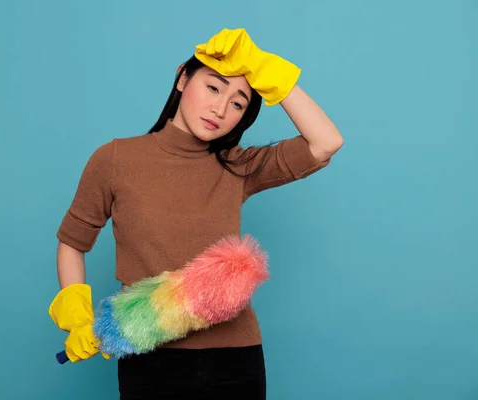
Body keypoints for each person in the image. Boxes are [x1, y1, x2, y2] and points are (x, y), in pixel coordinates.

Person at [47, 28, 344, 399]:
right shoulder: (115, 159)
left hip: (236, 359)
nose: (221, 109)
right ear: (182, 78)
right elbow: (72, 242)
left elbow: (326, 142)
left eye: (238, 103)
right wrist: (76, 317)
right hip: (149, 360)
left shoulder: (239, 166)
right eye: (214, 88)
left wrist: (265, 67)